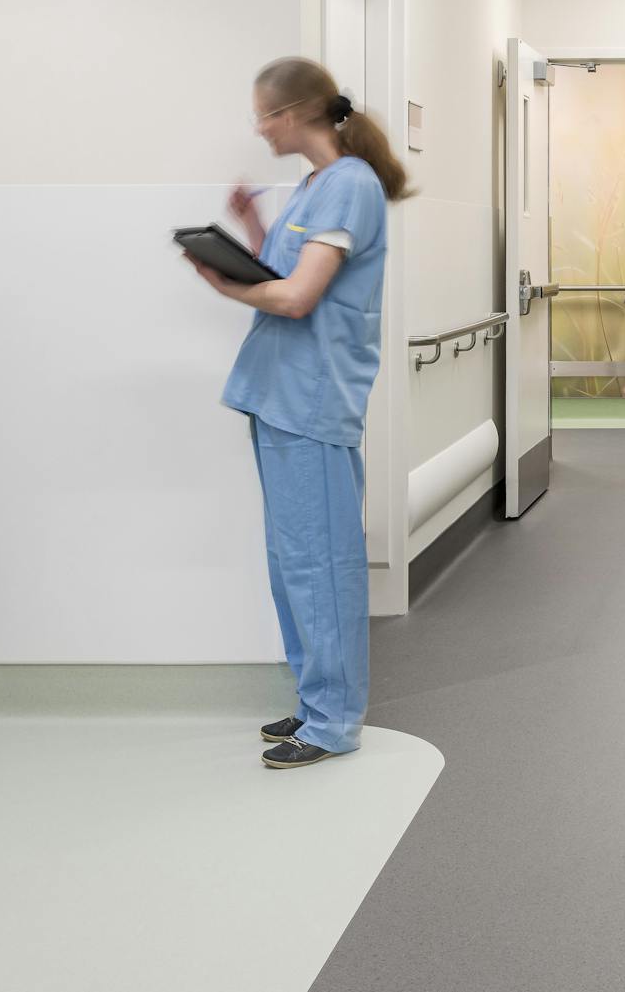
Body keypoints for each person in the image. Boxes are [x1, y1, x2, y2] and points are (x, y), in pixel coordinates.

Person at [187, 58, 410, 768]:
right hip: (279, 392)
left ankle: (335, 718)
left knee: (324, 563)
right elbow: (282, 275)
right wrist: (253, 229)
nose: (258, 128)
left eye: (263, 114)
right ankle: (317, 700)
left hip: (313, 396)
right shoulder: (316, 186)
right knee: (292, 562)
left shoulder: (349, 185)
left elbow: (297, 298)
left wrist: (230, 291)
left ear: (292, 114)